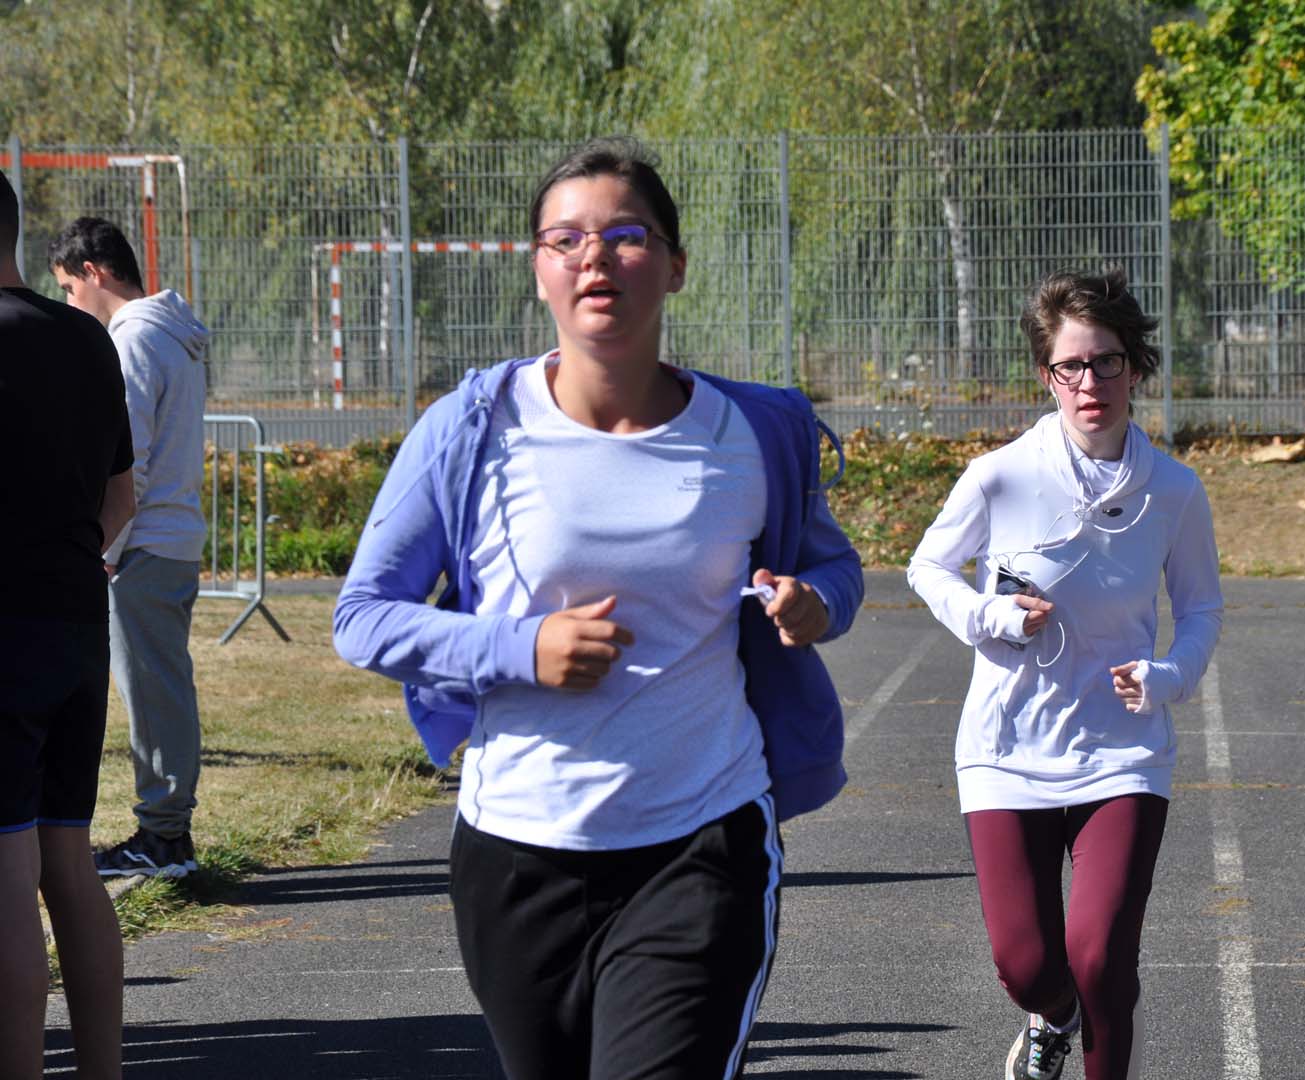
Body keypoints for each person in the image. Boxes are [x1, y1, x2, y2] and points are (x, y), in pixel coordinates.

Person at [332, 136, 863, 1079]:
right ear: (537, 269)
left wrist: (814, 602)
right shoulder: (472, 428)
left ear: (675, 263)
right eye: (565, 238)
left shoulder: (755, 432)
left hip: (702, 840)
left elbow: (834, 568)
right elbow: (364, 617)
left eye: (626, 235)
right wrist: (520, 647)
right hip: (515, 853)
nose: (595, 257)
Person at [908, 268, 1223, 1080]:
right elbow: (928, 568)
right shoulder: (1000, 475)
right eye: (1071, 367)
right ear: (1047, 375)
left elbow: (1202, 612)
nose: (1091, 383)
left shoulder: (1176, 493)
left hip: (1122, 754)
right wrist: (993, 617)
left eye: (1108, 362)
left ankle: (1094, 1024)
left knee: (1101, 958)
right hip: (1006, 750)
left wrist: (1168, 677)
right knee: (1025, 965)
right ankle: (1054, 1019)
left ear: (1137, 368)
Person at [0, 168, 133, 1080]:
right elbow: (121, 495)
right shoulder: (87, 339)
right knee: (68, 858)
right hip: (79, 628)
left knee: (6, 877)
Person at [49, 216, 209, 879]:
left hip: (143, 543)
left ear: (94, 272)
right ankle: (165, 830)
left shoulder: (134, 340)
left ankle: (163, 838)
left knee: (152, 692)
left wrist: (107, 544)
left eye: (65, 287)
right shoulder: (174, 331)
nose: (66, 302)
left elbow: (129, 461)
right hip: (167, 537)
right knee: (162, 687)